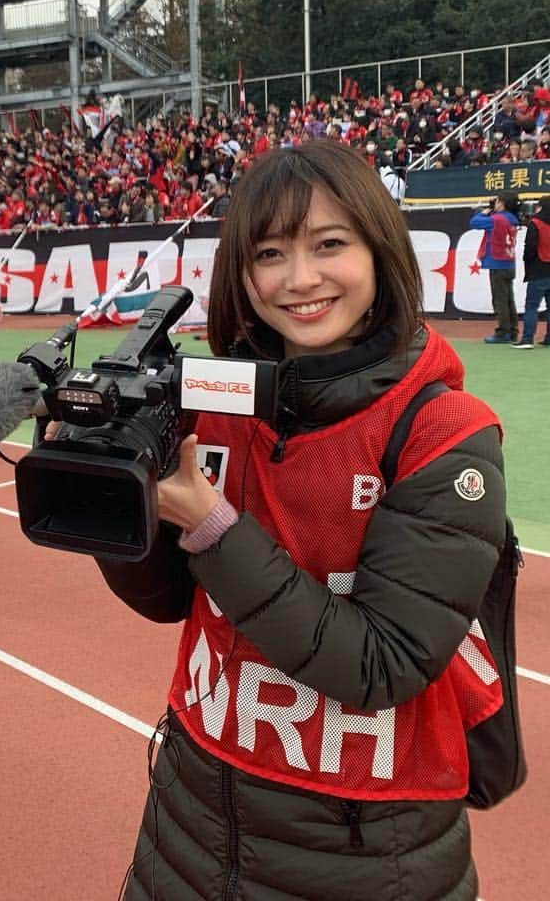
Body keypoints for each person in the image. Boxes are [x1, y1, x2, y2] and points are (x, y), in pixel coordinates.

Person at [91, 141, 507, 900]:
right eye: (270, 254)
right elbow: (161, 600)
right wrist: (112, 486)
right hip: (191, 816)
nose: (300, 280)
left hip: (368, 844)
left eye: (329, 245)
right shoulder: (215, 400)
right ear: (243, 278)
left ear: (380, 252)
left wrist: (212, 525)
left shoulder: (444, 432)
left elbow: (383, 665)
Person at [469, 195, 519, 343]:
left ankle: (503, 332)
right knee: (509, 299)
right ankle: (512, 330)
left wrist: (484, 212)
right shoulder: (512, 219)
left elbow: (474, 223)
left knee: (500, 300)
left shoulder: (497, 219)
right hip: (509, 262)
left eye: (496, 202)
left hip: (497, 263)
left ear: (502, 203)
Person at [512, 197, 550, 348]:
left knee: (531, 306)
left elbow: (530, 248)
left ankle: (527, 339)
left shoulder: (535, 223)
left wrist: (527, 262)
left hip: (538, 270)